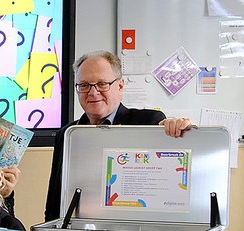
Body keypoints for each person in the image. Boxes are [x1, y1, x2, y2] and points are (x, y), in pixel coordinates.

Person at [45, 50, 191, 221]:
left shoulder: (148, 122)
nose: (93, 93)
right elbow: (54, 199)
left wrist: (178, 128)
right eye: (84, 85)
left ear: (120, 86)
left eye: (102, 84)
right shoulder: (67, 133)